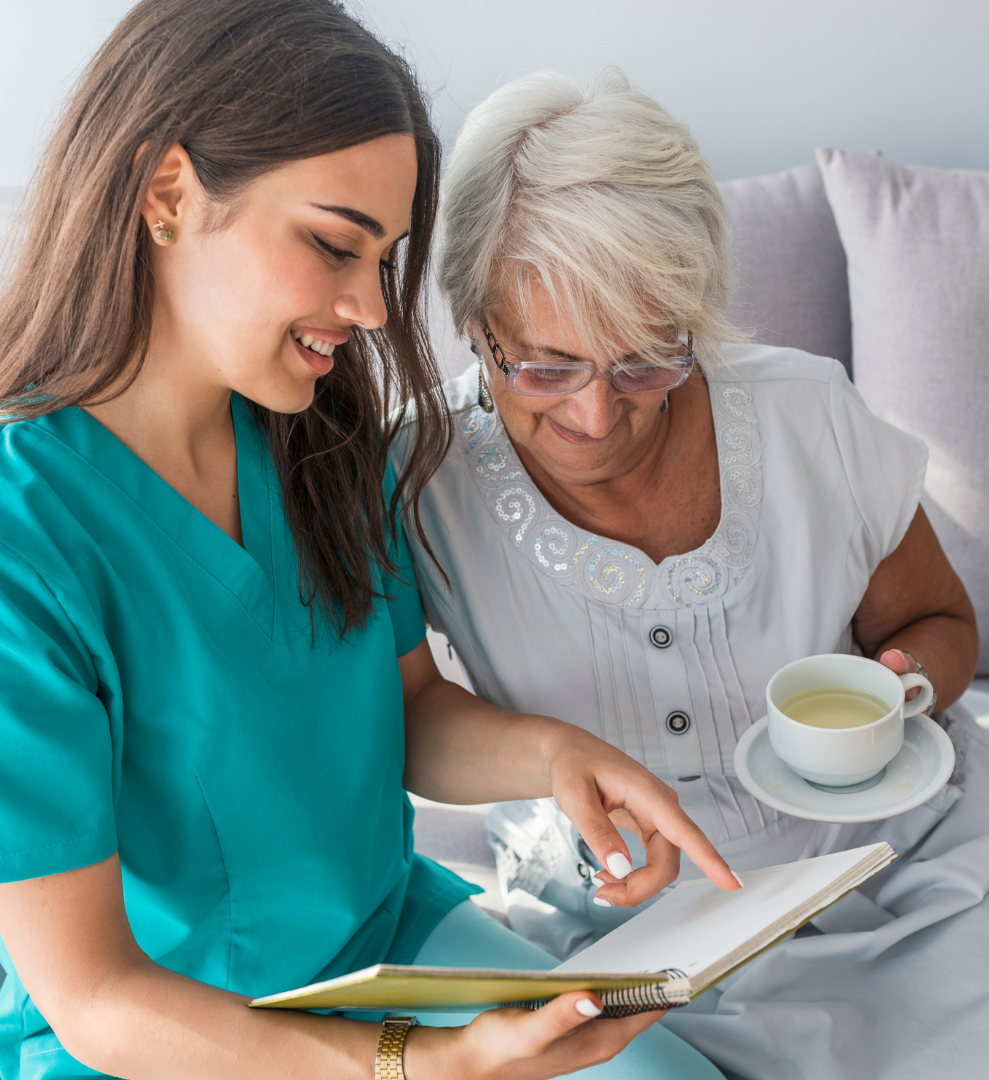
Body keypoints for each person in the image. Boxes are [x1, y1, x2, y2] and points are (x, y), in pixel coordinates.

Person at [0, 8, 739, 1079]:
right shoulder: (25, 535)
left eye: (384, 259)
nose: (370, 307)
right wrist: (424, 1065)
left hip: (387, 953)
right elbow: (96, 998)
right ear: (168, 194)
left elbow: (408, 710)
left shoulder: (324, 437)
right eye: (334, 245)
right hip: (170, 1036)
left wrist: (558, 758)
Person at [392, 69, 989, 1079]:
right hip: (630, 926)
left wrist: (905, 690)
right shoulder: (415, 477)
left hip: (907, 874)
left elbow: (940, 621)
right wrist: (552, 759)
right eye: (542, 366)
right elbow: (407, 721)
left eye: (645, 361)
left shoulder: (807, 417)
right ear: (468, 316)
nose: (595, 414)